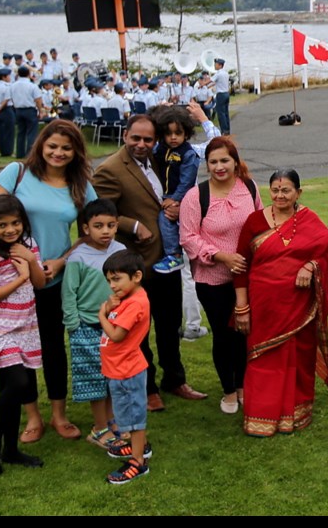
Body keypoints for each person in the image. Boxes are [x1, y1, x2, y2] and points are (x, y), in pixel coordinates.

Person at [0, 120, 97, 443]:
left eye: (66, 148)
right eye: (52, 145)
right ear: (41, 144)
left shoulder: (80, 183)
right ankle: (32, 417)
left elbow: (90, 233)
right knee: (16, 349)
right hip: (11, 280)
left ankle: (58, 414)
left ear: (76, 152)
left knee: (53, 348)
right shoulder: (18, 172)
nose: (58, 152)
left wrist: (63, 259)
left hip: (51, 280)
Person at [93, 108, 215, 412]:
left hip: (167, 260)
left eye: (149, 139)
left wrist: (178, 207)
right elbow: (101, 213)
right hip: (136, 265)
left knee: (170, 324)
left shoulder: (162, 158)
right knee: (139, 330)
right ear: (125, 136)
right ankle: (146, 388)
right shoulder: (110, 168)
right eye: (136, 138)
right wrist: (134, 226)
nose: (142, 144)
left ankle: (174, 379)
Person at [232, 169, 328, 437]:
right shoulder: (255, 221)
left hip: (298, 307)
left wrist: (311, 266)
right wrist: (241, 307)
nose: (280, 195)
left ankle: (295, 414)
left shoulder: (308, 220)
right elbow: (241, 267)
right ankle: (262, 417)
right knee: (262, 358)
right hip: (264, 305)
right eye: (275, 190)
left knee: (298, 356)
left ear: (298, 193)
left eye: (286, 190)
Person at [179, 137, 262, 415]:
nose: (219, 166)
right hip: (212, 280)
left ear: (235, 162)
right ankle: (228, 389)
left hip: (248, 277)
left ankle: (243, 385)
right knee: (223, 336)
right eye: (213, 162)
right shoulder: (196, 196)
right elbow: (188, 237)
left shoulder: (249, 187)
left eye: (224, 160)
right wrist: (221, 256)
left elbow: (261, 223)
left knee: (245, 333)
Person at [0, 194, 47, 476]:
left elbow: (39, 282)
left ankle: (10, 451)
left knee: (17, 389)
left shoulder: (26, 245)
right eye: (2, 225)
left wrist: (30, 261)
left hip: (24, 326)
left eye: (15, 223)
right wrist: (19, 277)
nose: (10, 229)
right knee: (16, 383)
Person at [61, 199, 127, 450]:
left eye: (111, 225)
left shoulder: (120, 250)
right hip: (87, 327)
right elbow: (69, 293)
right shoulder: (77, 257)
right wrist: (74, 325)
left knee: (113, 377)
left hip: (115, 327)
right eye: (98, 226)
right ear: (86, 228)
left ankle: (111, 421)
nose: (106, 231)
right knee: (94, 380)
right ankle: (98, 428)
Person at [98, 250, 153, 485]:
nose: (112, 285)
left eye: (117, 279)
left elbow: (117, 335)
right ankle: (139, 446)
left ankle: (138, 461)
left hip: (127, 371)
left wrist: (102, 314)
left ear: (136, 276)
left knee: (134, 419)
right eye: (109, 280)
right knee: (128, 415)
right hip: (119, 369)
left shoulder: (134, 304)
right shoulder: (130, 299)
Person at [151, 107, 199, 275]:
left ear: (186, 134)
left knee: (165, 218)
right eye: (169, 133)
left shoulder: (188, 154)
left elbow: (187, 181)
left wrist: (175, 199)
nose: (173, 138)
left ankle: (174, 255)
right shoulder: (160, 150)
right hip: (163, 194)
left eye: (177, 133)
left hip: (180, 197)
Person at [11, 66, 45, 159]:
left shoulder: (13, 85)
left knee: (20, 132)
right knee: (31, 132)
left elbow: (12, 98)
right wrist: (40, 111)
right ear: (28, 74)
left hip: (18, 110)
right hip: (29, 109)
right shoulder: (32, 86)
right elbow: (38, 100)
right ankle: (30, 153)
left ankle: (19, 153)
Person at [0, 68, 15, 157]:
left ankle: (3, 151)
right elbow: (6, 100)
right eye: (8, 76)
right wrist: (0, 109)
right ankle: (9, 151)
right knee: (9, 131)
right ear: (4, 77)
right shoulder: (6, 86)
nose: (9, 77)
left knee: (1, 131)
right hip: (6, 110)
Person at [212, 58, 231, 135]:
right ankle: (227, 129)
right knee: (226, 112)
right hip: (226, 93)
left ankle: (224, 130)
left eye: (216, 64)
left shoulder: (218, 73)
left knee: (221, 113)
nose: (215, 66)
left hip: (221, 94)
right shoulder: (226, 73)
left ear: (220, 65)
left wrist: (203, 84)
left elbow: (211, 80)